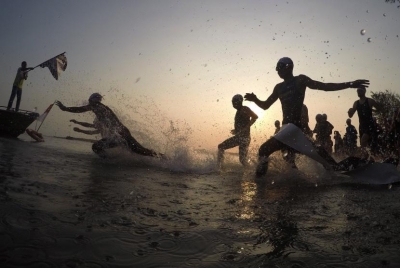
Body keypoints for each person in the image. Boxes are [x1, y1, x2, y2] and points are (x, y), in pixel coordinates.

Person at [244, 57, 370, 176]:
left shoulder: (300, 80)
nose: (277, 70)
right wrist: (255, 99)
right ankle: (343, 167)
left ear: (289, 67)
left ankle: (259, 183)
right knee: (291, 161)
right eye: (276, 68)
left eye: (280, 67)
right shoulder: (278, 87)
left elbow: (324, 86)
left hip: (293, 128)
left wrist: (349, 84)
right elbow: (266, 105)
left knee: (263, 150)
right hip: (287, 129)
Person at [56, 93, 164, 158]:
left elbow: (79, 109)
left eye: (90, 101)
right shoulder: (102, 108)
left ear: (92, 100)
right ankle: (166, 158)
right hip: (123, 133)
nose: (88, 104)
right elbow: (90, 123)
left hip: (121, 135)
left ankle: (109, 162)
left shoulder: (97, 106)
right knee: (142, 151)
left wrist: (65, 108)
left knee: (96, 147)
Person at [218, 94, 258, 167]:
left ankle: (219, 167)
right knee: (242, 159)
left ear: (239, 102)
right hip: (241, 137)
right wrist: (236, 130)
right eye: (232, 102)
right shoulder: (238, 111)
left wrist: (246, 127)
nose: (233, 104)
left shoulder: (244, 109)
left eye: (234, 102)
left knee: (241, 159)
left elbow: (255, 117)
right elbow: (242, 123)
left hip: (244, 138)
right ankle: (220, 167)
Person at [348, 87, 381, 158]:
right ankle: (368, 158)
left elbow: (379, 109)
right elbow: (350, 115)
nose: (358, 92)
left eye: (360, 91)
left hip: (370, 125)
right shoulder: (356, 103)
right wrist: (349, 112)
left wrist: (373, 110)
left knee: (363, 141)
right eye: (357, 91)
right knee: (364, 145)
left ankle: (365, 157)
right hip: (362, 126)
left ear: (364, 91)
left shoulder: (370, 101)